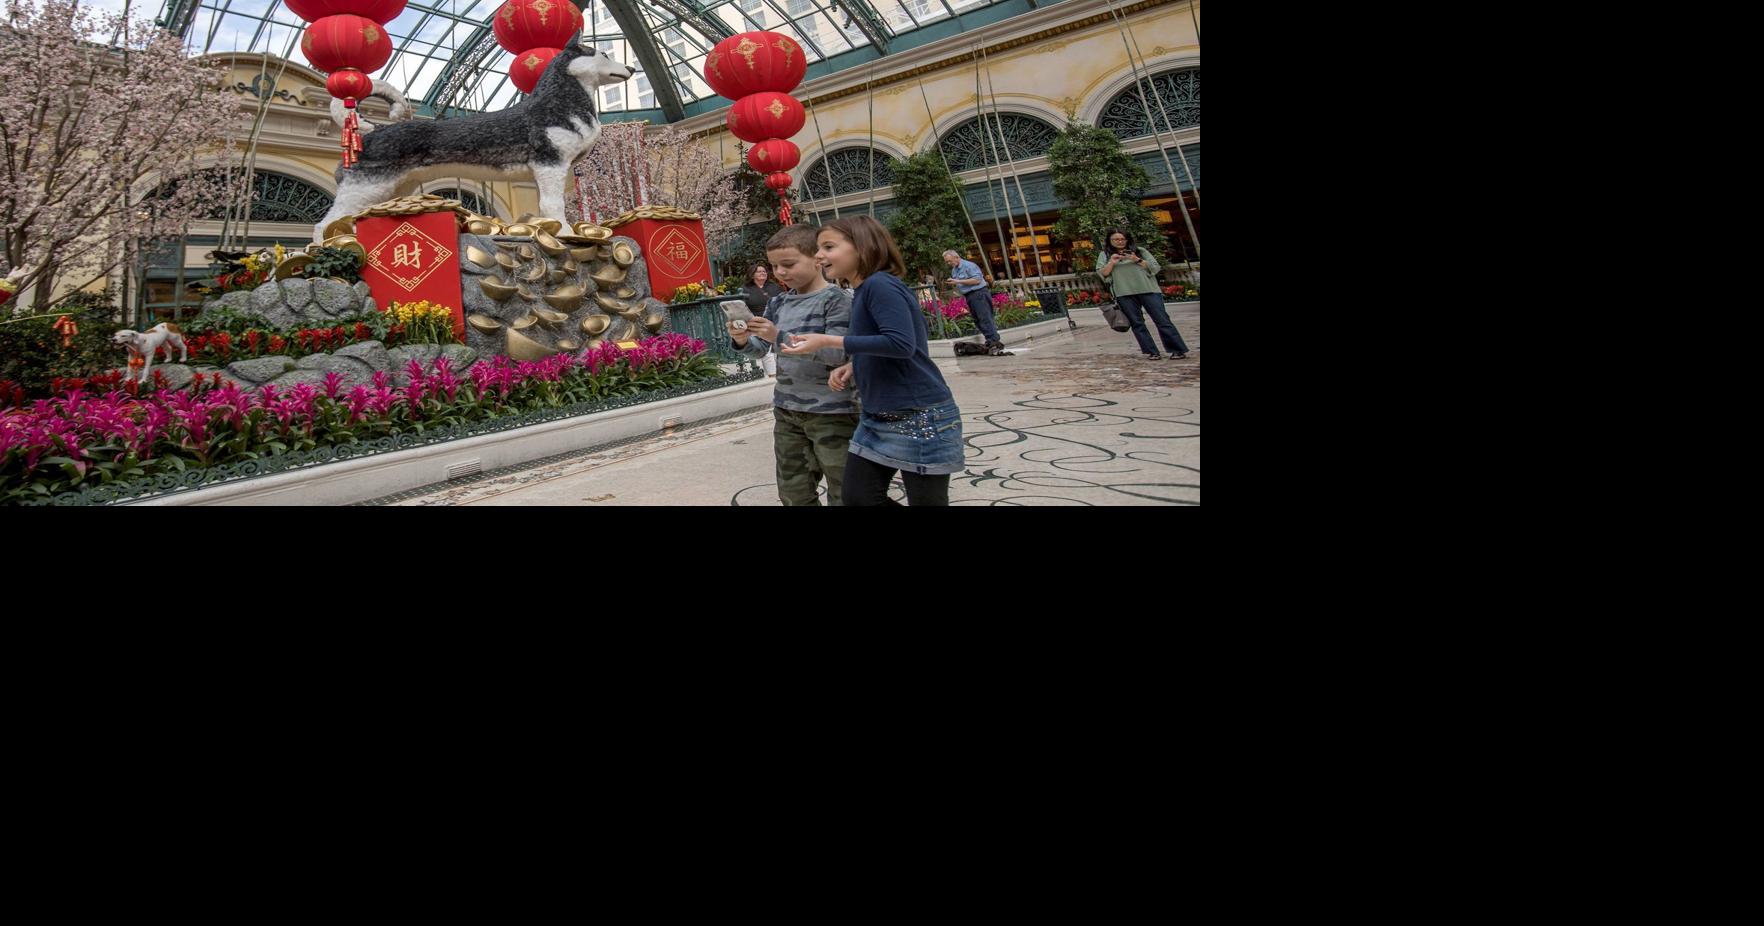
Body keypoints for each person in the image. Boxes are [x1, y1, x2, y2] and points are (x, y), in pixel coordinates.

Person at [782, 217, 961, 506]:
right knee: (857, 497)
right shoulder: (865, 289)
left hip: (918, 414)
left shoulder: (880, 285)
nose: (819, 256)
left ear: (861, 247)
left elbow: (902, 343)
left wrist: (829, 340)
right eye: (818, 248)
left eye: (828, 246)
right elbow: (894, 340)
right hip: (879, 414)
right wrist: (855, 364)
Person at [728, 225, 859, 506]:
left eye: (788, 264)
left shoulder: (837, 301)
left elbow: (838, 355)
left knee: (844, 487)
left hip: (832, 410)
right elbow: (762, 350)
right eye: (774, 266)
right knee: (793, 489)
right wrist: (742, 341)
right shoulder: (778, 302)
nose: (780, 273)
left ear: (817, 259)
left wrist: (779, 336)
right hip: (787, 410)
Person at [1097, 229, 1189, 360]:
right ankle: (1151, 351)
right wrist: (1112, 262)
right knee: (1137, 323)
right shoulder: (1105, 255)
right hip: (1124, 293)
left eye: (1122, 239)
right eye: (1116, 239)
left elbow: (1155, 267)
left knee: (1162, 320)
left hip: (1149, 290)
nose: (1120, 242)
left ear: (1127, 239)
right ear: (1110, 241)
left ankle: (1177, 350)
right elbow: (1103, 274)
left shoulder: (1140, 251)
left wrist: (1137, 259)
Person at [942, 249, 1003, 354]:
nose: (949, 263)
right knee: (977, 320)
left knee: (984, 318)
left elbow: (977, 280)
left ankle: (994, 342)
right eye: (947, 262)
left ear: (956, 257)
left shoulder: (969, 266)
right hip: (969, 296)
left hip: (979, 293)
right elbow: (961, 284)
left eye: (950, 261)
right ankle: (991, 341)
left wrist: (958, 281)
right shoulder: (954, 270)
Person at [739, 263, 784, 376]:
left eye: (764, 271)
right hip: (757, 322)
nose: (763, 273)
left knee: (779, 347)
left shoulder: (774, 286)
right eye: (759, 271)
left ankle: (783, 373)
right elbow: (743, 307)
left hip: (776, 321)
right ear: (752, 274)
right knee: (766, 351)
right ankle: (772, 375)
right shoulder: (745, 289)